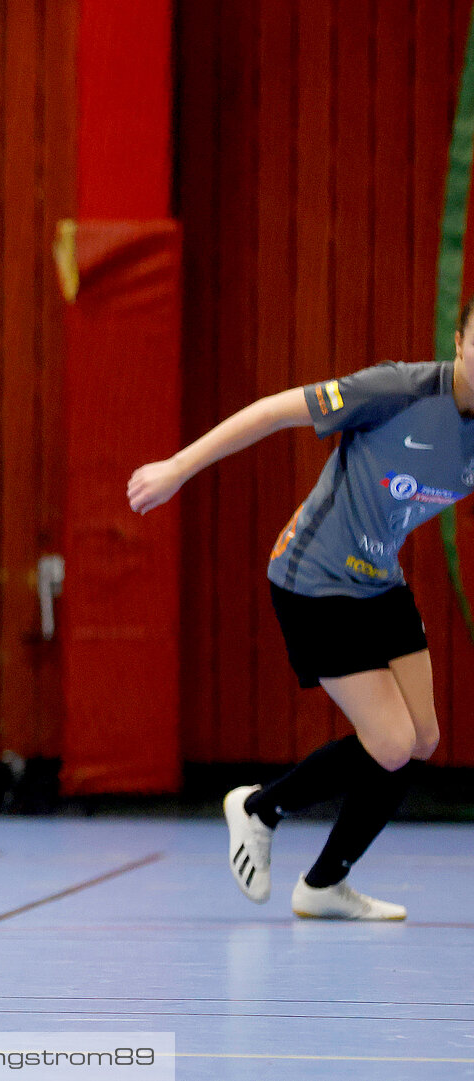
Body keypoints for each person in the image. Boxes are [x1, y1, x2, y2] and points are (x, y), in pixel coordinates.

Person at [124, 314, 474, 920]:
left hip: (379, 580)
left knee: (422, 740)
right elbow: (271, 411)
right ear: (460, 342)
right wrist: (178, 468)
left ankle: (323, 885)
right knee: (390, 742)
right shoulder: (399, 389)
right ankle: (260, 809)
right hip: (313, 579)